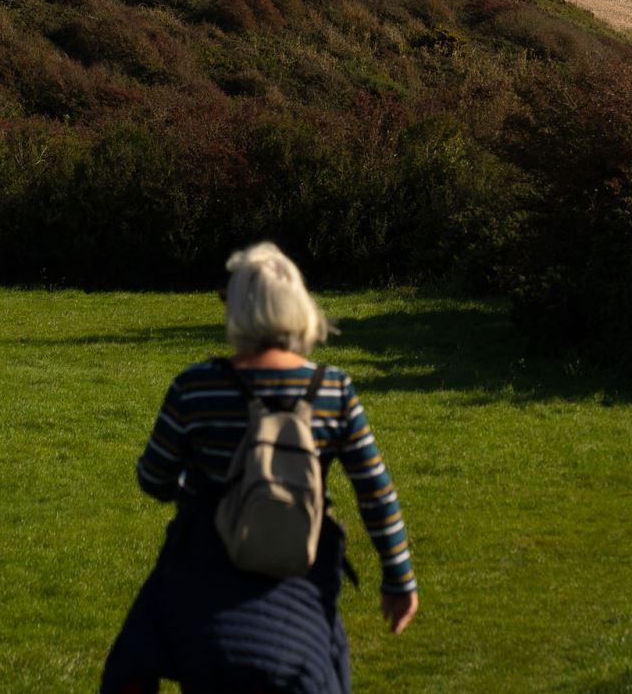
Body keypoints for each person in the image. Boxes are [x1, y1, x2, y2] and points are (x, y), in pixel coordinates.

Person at [102, 243, 419, 694]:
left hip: (204, 583)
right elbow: (375, 492)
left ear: (239, 308)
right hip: (301, 579)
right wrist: (399, 577)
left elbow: (153, 479)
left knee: (132, 662)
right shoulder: (333, 388)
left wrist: (198, 488)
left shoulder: (195, 387)